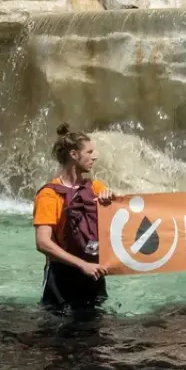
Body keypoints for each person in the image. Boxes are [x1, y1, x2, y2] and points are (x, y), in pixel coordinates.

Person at [33, 124, 116, 311]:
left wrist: (110, 198)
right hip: (62, 278)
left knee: (97, 333)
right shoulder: (49, 195)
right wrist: (82, 265)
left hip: (93, 273)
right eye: (89, 152)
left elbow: (121, 221)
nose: (95, 156)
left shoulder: (96, 187)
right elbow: (42, 243)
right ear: (73, 155)